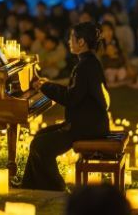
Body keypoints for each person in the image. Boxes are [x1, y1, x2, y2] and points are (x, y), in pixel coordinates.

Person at [20, 22, 110, 191]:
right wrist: (48, 85)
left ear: (81, 42)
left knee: (41, 146)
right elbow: (75, 93)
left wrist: (46, 87)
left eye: (71, 38)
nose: (69, 41)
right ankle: (29, 186)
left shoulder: (85, 67)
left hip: (86, 127)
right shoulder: (90, 62)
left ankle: (57, 188)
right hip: (88, 122)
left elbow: (71, 98)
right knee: (40, 136)